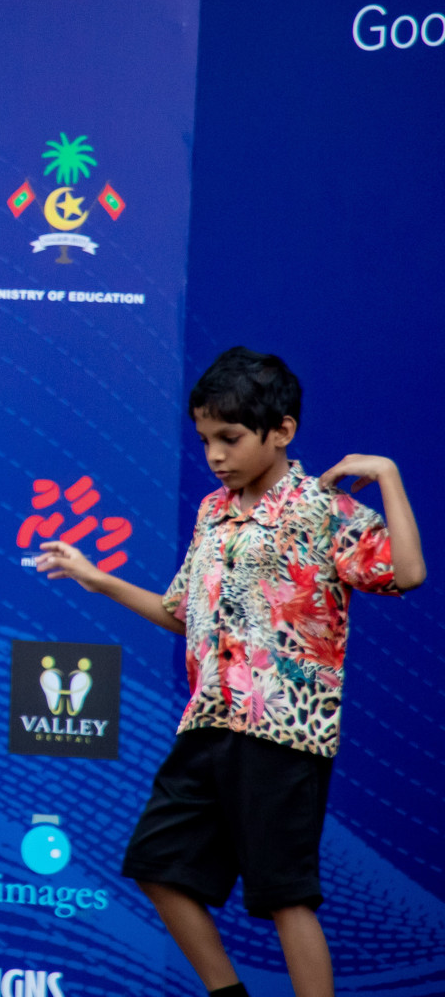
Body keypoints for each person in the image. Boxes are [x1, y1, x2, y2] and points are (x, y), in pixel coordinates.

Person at [36, 346, 426, 997]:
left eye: (231, 438)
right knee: (157, 864)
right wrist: (95, 577)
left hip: (283, 734)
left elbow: (406, 573)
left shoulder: (321, 509)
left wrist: (386, 474)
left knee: (284, 896)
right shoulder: (214, 511)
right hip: (208, 722)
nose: (215, 455)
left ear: (283, 432)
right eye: (206, 439)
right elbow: (179, 612)